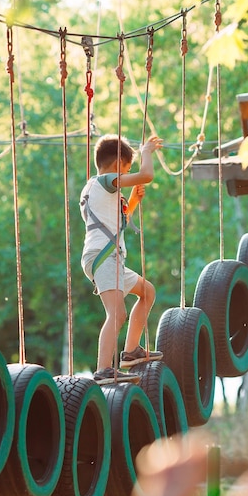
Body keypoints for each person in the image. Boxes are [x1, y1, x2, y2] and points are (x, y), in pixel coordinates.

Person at [80, 133, 163, 385]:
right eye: (127, 170)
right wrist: (146, 152)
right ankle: (104, 368)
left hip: (111, 258)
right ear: (117, 166)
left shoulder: (99, 190)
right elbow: (147, 174)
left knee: (147, 292)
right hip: (103, 257)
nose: (128, 175)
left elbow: (120, 222)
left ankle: (130, 352)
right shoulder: (104, 181)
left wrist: (135, 199)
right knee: (117, 313)